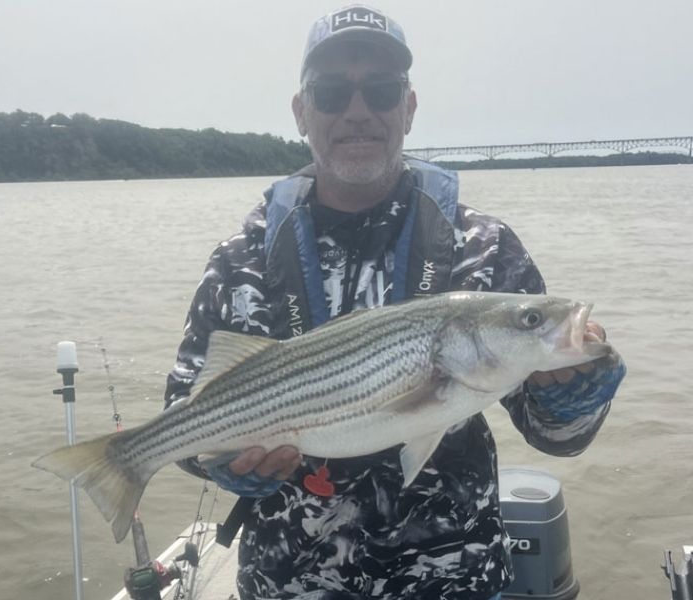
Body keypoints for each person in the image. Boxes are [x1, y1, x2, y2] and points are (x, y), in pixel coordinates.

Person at [165, 4, 626, 600]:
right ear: (302, 112)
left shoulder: (483, 249)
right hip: (290, 585)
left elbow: (557, 439)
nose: (358, 111)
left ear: (408, 107)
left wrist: (575, 395)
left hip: (455, 578)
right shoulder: (242, 261)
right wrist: (216, 459)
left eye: (381, 90)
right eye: (331, 93)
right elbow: (185, 412)